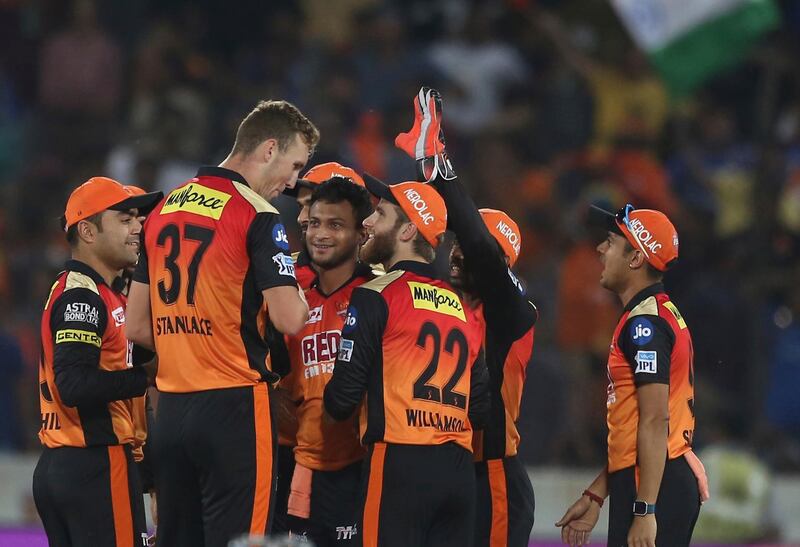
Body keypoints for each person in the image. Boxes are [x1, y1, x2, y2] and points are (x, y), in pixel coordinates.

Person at [125, 99, 318, 546]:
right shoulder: (256, 214)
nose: (293, 182)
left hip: (171, 414)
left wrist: (189, 338)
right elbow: (290, 319)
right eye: (295, 165)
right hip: (234, 409)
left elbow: (136, 327)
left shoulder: (164, 209)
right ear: (269, 149)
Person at [395, 87, 537, 547]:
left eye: (471, 247)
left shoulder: (515, 311)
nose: (456, 253)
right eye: (454, 244)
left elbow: (479, 247)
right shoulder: (443, 305)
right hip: (446, 468)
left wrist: (436, 166)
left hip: (492, 474)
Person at [323, 176, 490, 547]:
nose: (367, 222)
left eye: (380, 214)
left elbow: (341, 400)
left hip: (399, 461)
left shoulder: (376, 295)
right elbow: (479, 410)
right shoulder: (464, 308)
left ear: (408, 229)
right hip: (459, 473)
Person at [555, 204, 707, 547]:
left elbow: (655, 421)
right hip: (651, 480)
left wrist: (645, 510)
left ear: (636, 259)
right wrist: (598, 494)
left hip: (654, 488)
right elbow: (637, 429)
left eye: (610, 242)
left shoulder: (645, 326)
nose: (600, 250)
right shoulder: (653, 314)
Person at [33, 176, 161, 546]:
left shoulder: (103, 294)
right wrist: (147, 376)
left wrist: (150, 481)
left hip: (71, 464)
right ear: (87, 232)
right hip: (95, 463)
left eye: (138, 218)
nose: (138, 228)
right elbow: (75, 385)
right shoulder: (82, 296)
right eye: (124, 219)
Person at [273, 177, 373, 545]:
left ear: (363, 233)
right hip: (302, 466)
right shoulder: (289, 298)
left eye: (335, 225)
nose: (320, 234)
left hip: (363, 467)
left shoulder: (379, 295)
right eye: (315, 223)